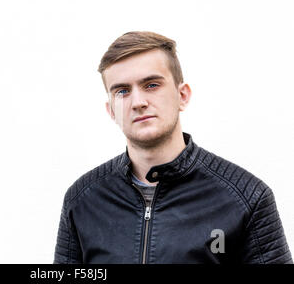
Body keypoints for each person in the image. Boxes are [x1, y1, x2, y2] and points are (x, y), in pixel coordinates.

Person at [53, 31, 292, 264]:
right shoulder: (82, 200)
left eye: (152, 85)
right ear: (111, 110)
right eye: (122, 91)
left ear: (183, 96)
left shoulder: (247, 198)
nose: (138, 102)